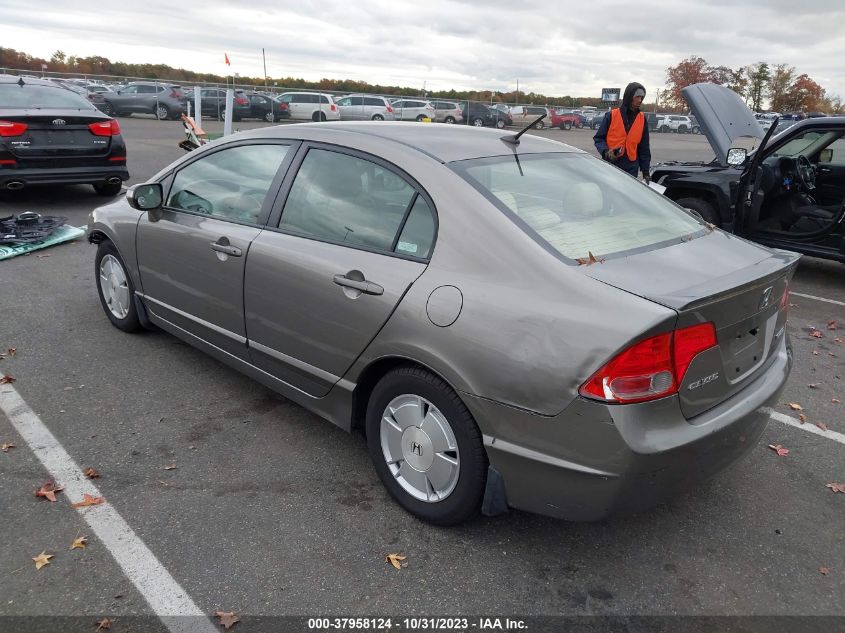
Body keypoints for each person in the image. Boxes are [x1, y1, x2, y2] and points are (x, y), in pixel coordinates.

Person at [593, 82, 651, 183]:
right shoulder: (611, 115)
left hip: (631, 166)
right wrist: (605, 152)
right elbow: (599, 138)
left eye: (641, 97)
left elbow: (644, 147)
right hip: (611, 164)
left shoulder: (642, 119)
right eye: (637, 97)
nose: (639, 100)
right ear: (629, 96)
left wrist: (645, 170)